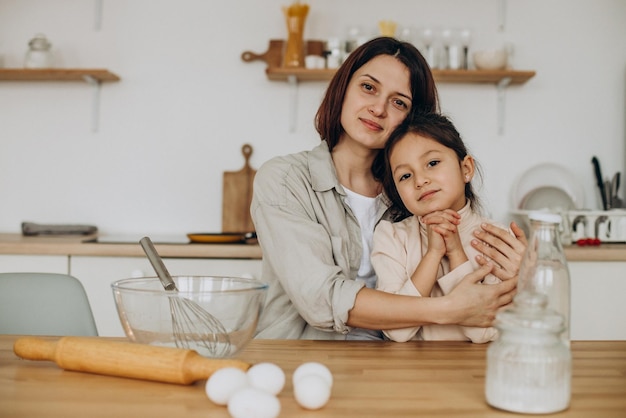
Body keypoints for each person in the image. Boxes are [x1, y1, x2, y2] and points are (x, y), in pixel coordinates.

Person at [250, 37, 527, 340]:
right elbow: (322, 299)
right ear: (343, 89)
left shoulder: (416, 197)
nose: (379, 109)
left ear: (413, 119)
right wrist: (449, 309)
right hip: (296, 359)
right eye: (368, 87)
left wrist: (519, 273)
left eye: (399, 102)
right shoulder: (285, 179)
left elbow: (473, 275)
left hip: (392, 366)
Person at [373, 111, 510, 343]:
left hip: (475, 373)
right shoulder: (391, 236)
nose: (420, 180)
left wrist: (456, 252)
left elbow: (483, 333)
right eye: (405, 176)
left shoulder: (498, 239)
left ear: (466, 169)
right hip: (411, 373)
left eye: (432, 163)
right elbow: (397, 332)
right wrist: (433, 254)